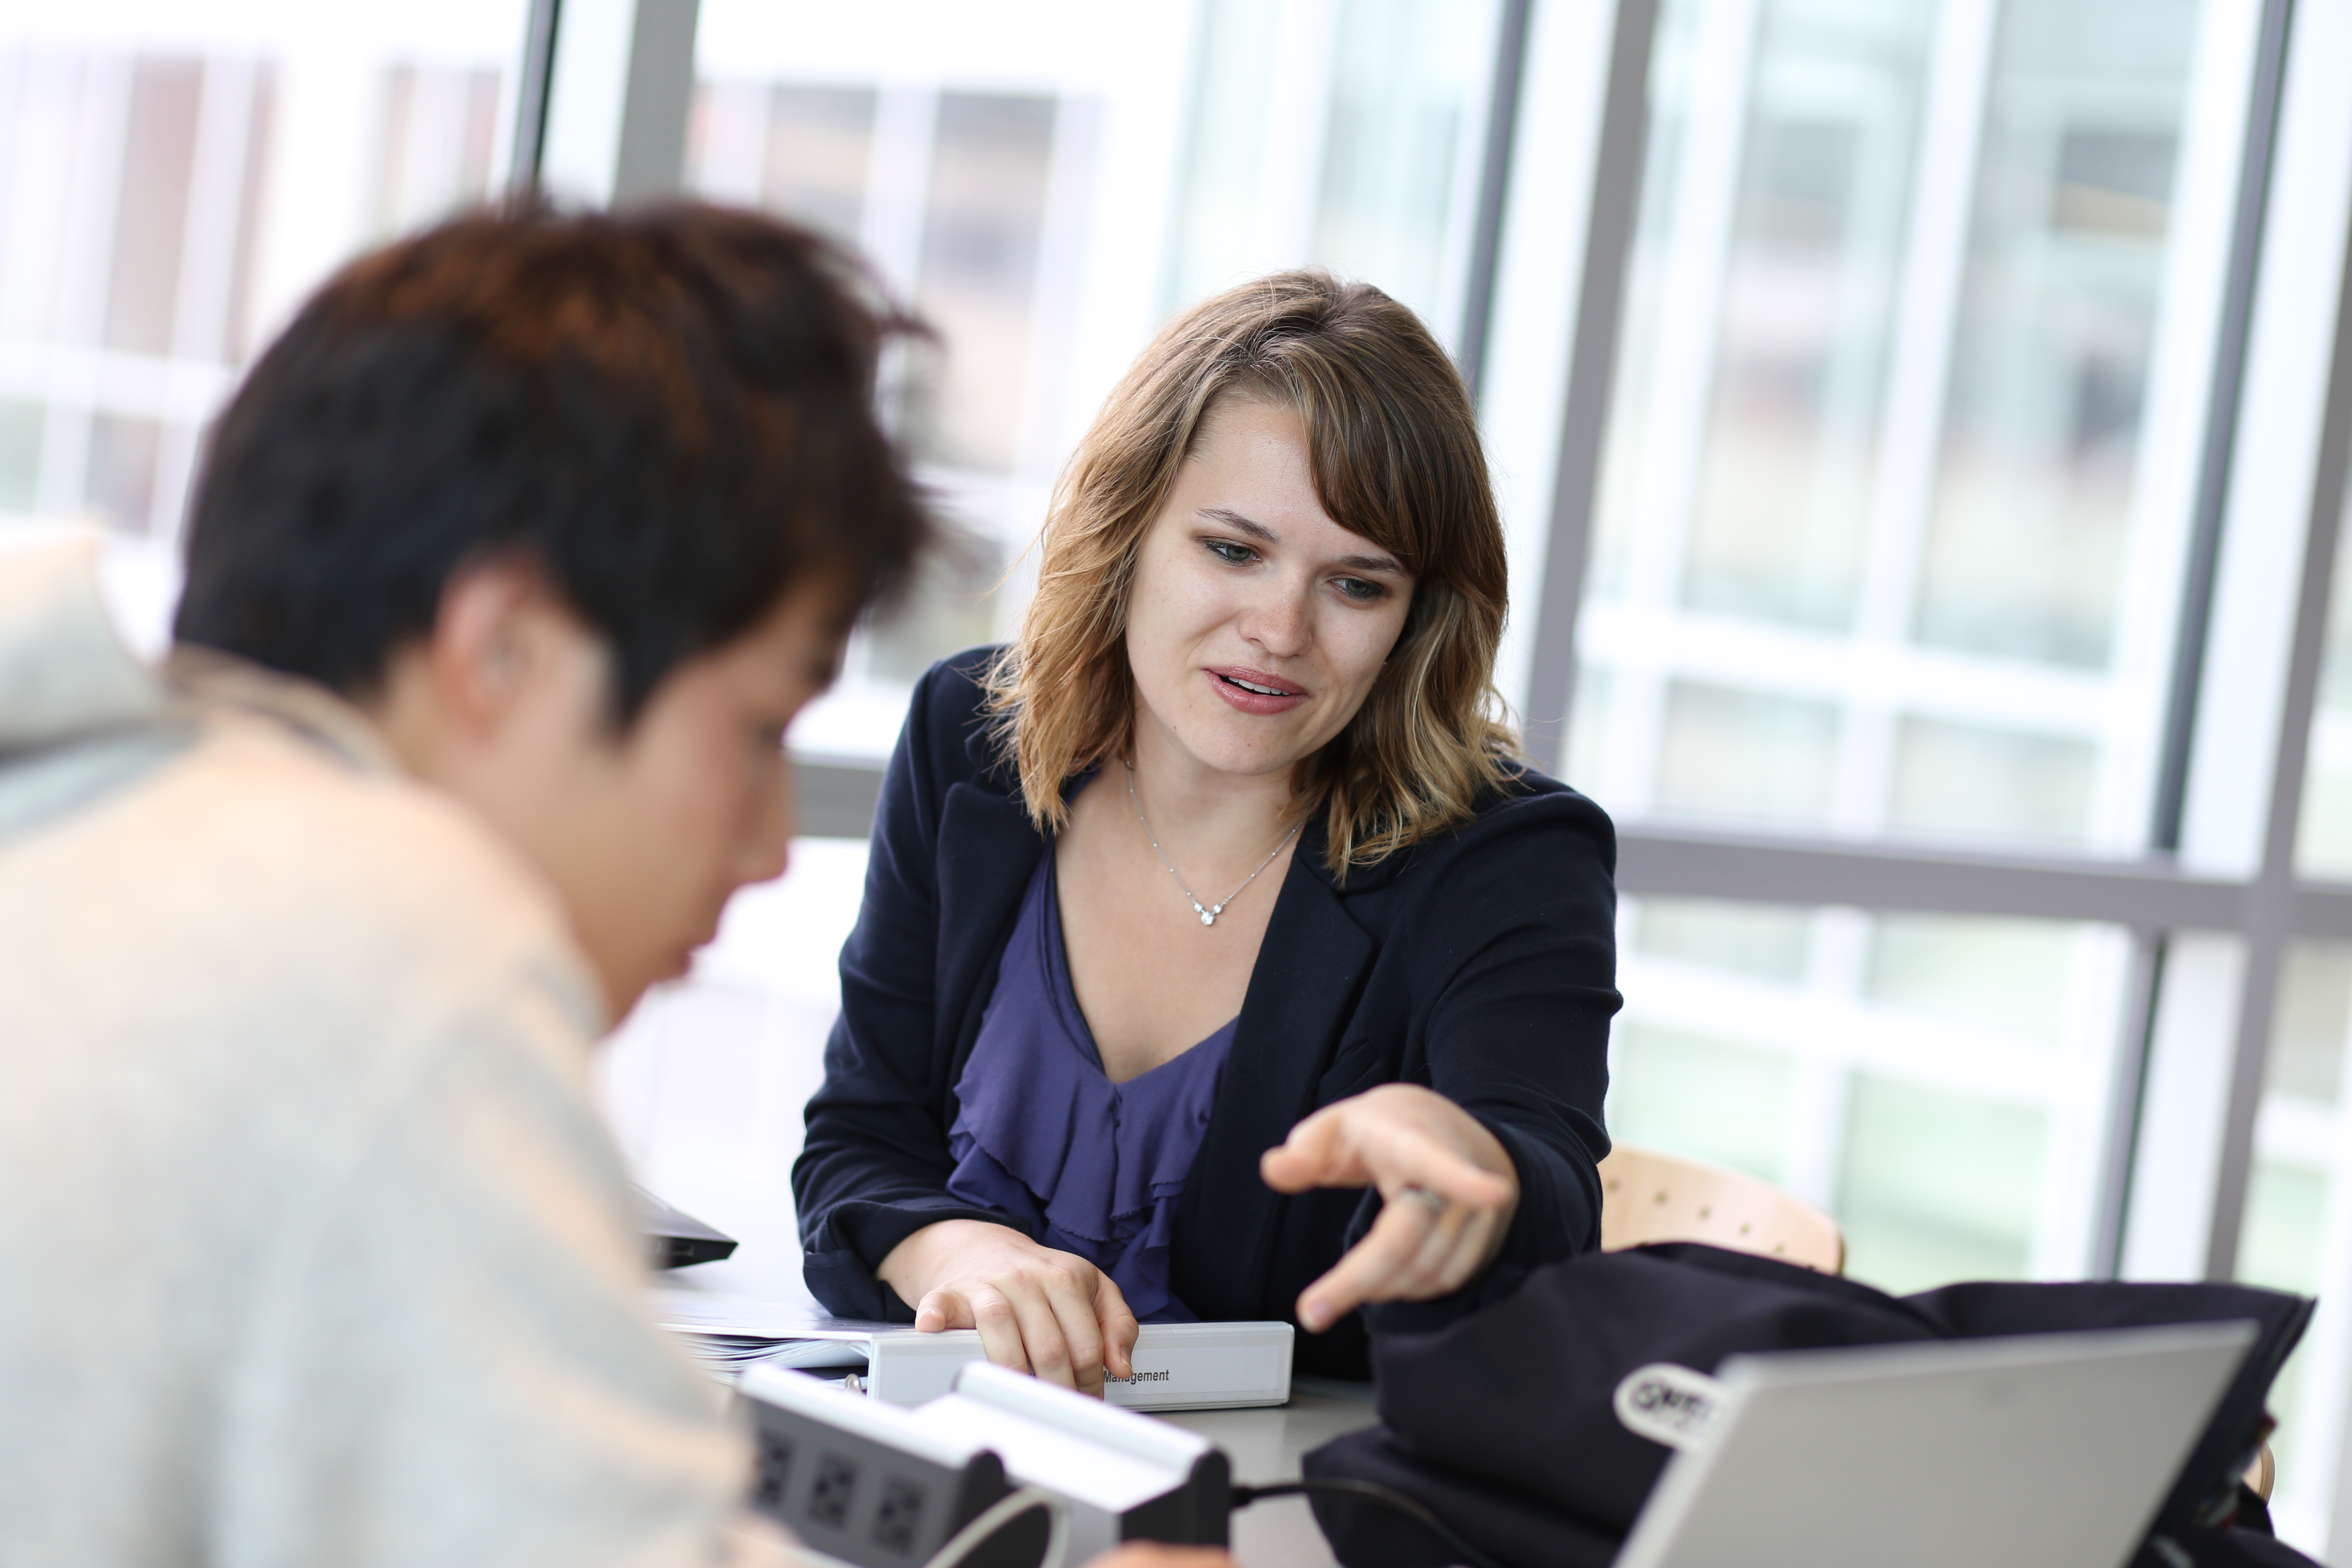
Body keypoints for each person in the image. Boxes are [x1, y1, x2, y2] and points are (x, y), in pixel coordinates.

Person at [0, 203, 1222, 1568]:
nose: (767, 846)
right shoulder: (385, 956)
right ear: (505, 648)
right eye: (757, 729)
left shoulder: (88, 830)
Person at [796, 270, 1622, 1390]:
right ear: (1128, 530)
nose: (1281, 630)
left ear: (1416, 616)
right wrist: (968, 1255)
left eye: (1358, 584)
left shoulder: (1509, 857)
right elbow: (858, 1144)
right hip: (956, 1450)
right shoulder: (970, 745)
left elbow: (1548, 1193)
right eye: (1233, 550)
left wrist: (1481, 1167)